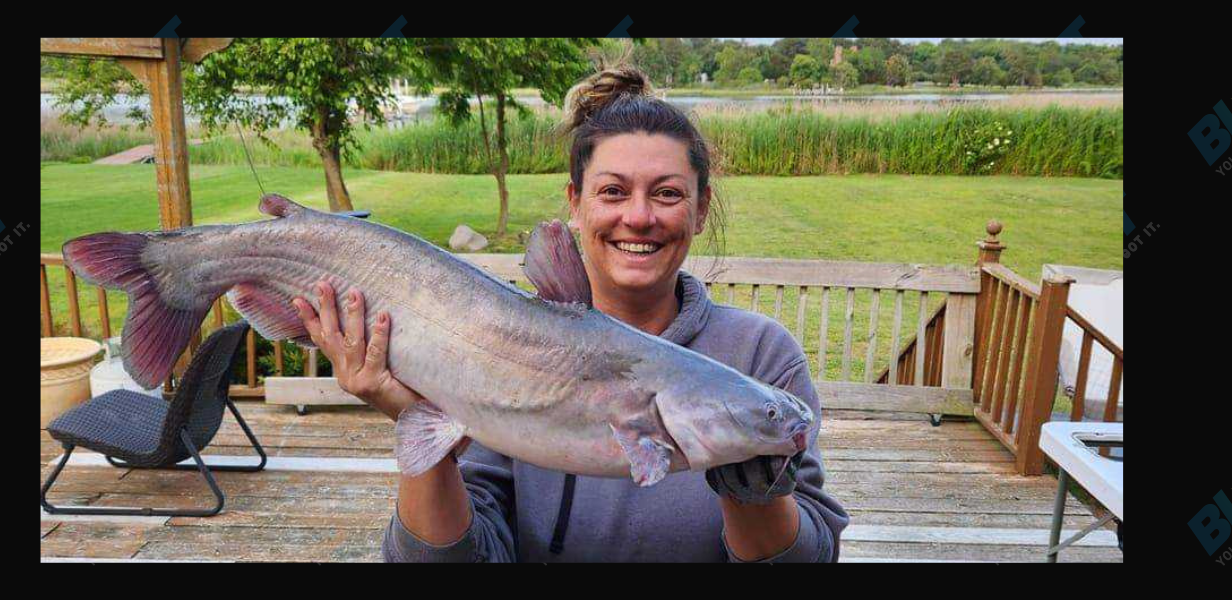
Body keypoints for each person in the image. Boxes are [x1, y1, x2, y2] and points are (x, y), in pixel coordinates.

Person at [292, 64, 849, 562]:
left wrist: (751, 495)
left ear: (700, 209)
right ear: (575, 204)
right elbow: (451, 560)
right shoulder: (497, 341)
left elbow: (812, 559)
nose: (639, 216)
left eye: (667, 194)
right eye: (612, 191)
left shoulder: (759, 354)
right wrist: (418, 425)